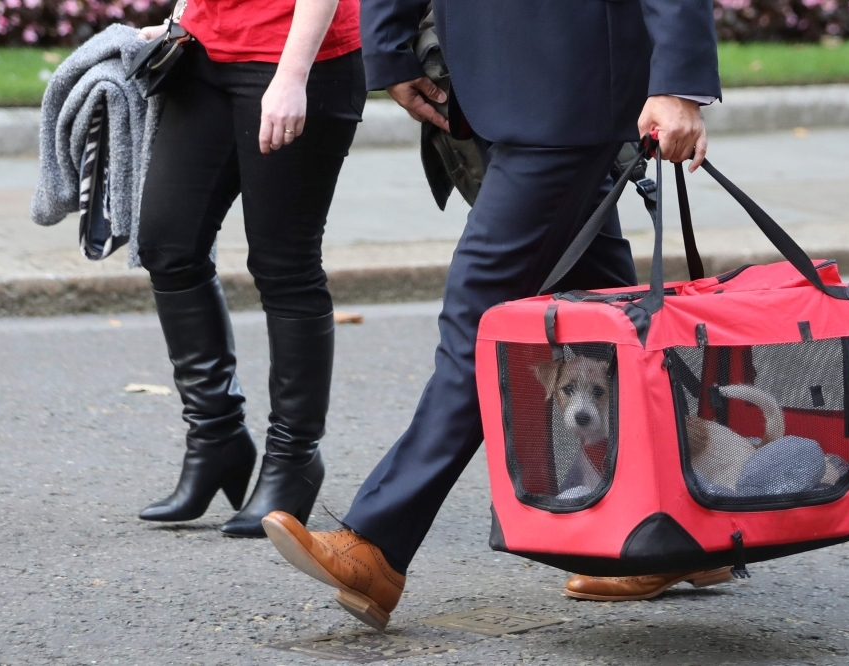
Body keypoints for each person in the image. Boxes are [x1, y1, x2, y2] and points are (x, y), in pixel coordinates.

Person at [262, 0, 725, 628]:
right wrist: (392, 46)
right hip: (495, 83)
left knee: (480, 324)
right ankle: (687, 528)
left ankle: (376, 544)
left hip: (573, 90)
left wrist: (676, 83)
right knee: (610, 328)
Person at [134, 0, 364, 537]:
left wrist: (292, 76)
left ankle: (293, 459)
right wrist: (180, 16)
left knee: (285, 265)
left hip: (298, 58)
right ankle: (216, 439)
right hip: (207, 51)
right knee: (168, 244)